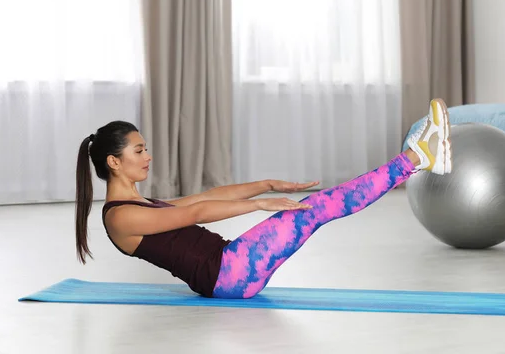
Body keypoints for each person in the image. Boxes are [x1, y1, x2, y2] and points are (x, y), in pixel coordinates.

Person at [75, 98, 452, 299]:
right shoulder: (120, 218)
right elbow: (196, 212)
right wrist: (258, 205)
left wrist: (266, 185)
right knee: (316, 209)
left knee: (316, 207)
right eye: (139, 151)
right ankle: (417, 158)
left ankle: (417, 159)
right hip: (229, 274)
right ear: (114, 162)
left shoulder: (140, 206)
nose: (148, 157)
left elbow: (208, 195)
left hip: (231, 267)